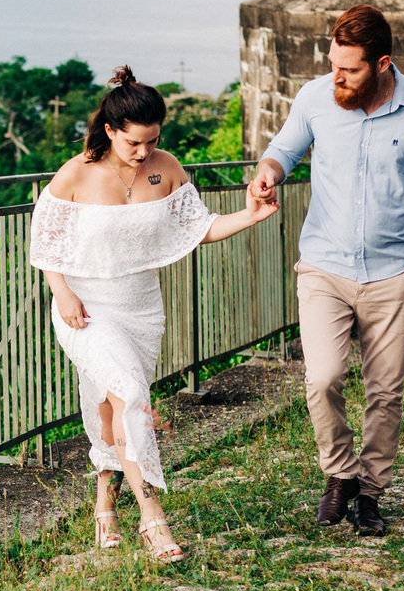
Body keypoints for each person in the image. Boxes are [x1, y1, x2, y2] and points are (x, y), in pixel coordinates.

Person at [30, 65, 278, 561]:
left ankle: (105, 504)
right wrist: (62, 293)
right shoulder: (76, 172)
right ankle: (152, 518)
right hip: (85, 309)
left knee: (112, 408)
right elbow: (45, 241)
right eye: (133, 143)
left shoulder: (167, 168)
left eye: (152, 141)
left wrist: (250, 215)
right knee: (131, 396)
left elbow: (199, 227)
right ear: (109, 131)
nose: (144, 153)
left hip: (141, 309)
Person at [249, 4, 404, 536]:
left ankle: (370, 493)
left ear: (381, 64)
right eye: (333, 64)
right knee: (323, 378)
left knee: (385, 392)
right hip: (323, 268)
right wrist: (268, 173)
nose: (337, 76)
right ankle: (340, 474)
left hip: (391, 274)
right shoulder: (315, 97)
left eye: (349, 69)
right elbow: (283, 149)